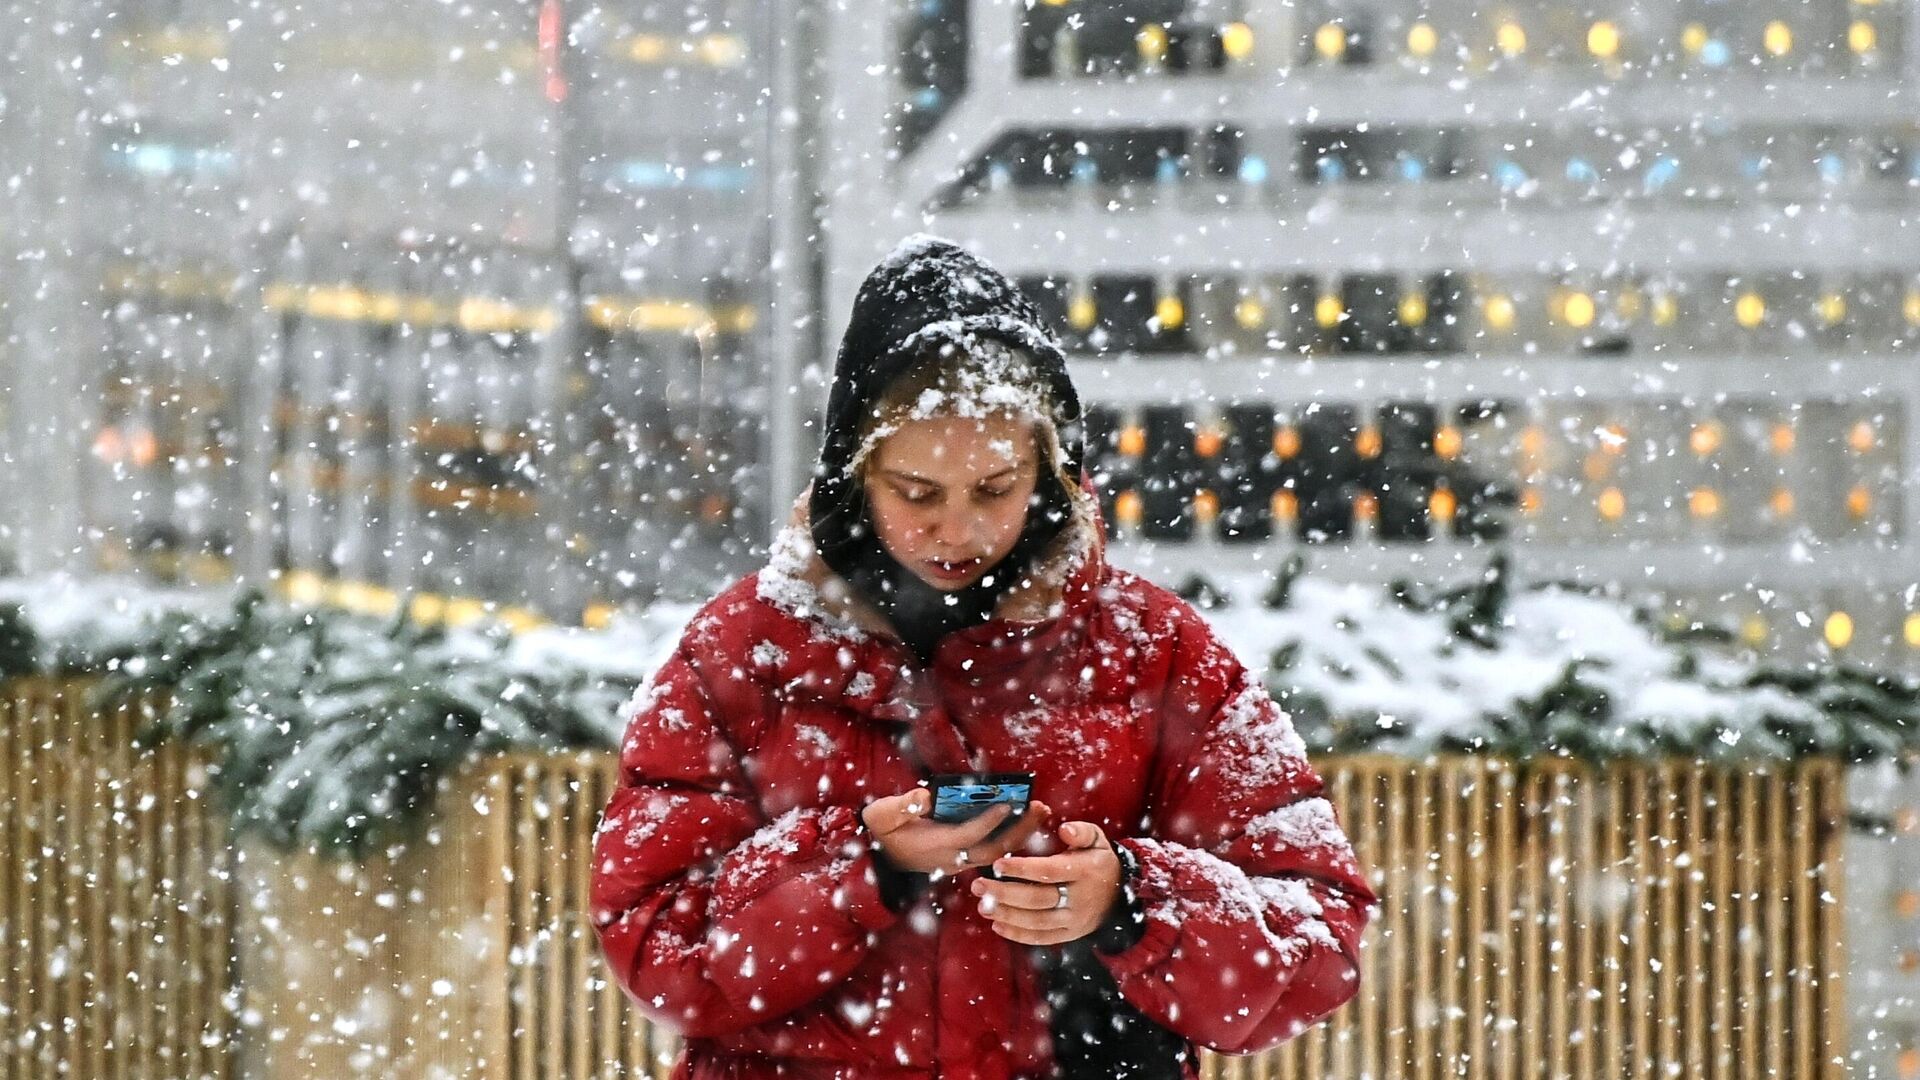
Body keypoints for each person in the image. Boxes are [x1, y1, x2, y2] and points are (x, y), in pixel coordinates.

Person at [590, 235, 1378, 1079]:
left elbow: (1319, 936)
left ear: (1050, 471)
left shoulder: (1160, 654)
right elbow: (655, 944)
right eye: (917, 493)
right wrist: (862, 865)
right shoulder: (739, 654)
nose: (957, 531)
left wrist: (1131, 903)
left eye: (996, 490)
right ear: (853, 475)